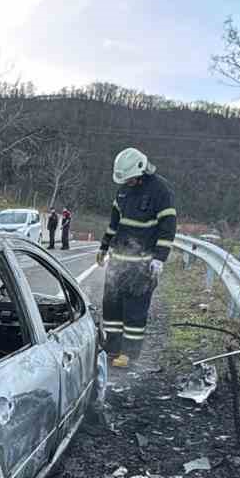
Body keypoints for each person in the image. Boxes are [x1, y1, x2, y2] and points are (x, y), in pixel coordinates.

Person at [97, 147, 176, 369]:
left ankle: (129, 354)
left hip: (142, 265)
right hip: (119, 261)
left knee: (134, 311)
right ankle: (112, 348)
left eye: (131, 178)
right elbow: (114, 224)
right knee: (111, 306)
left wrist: (159, 258)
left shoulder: (160, 191)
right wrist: (104, 247)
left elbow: (168, 228)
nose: (128, 182)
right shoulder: (123, 191)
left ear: (141, 170)